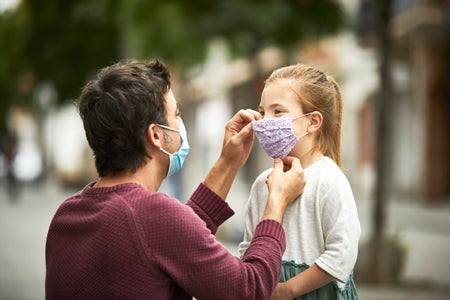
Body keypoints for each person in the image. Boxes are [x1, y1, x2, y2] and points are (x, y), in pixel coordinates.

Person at [45, 59, 307, 300]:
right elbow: (249, 289)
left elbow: (174, 240)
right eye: (177, 115)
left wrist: (228, 163)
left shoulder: (67, 215)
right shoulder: (152, 216)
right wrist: (276, 204)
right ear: (157, 135)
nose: (181, 124)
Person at [239, 64, 361, 299]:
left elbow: (342, 253)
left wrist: (288, 290)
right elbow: (247, 248)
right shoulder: (262, 183)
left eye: (278, 112)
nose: (265, 121)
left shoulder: (329, 180)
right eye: (262, 112)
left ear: (313, 121)